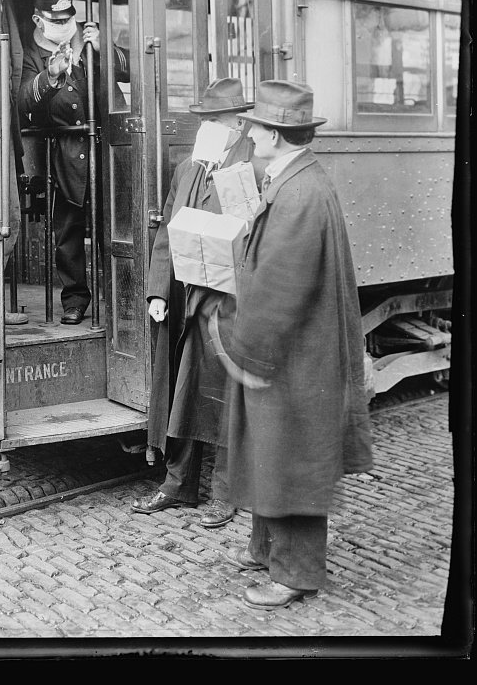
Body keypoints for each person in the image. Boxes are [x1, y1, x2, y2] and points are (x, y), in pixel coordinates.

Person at [216, 79, 373, 609]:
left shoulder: (299, 190)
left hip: (293, 354)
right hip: (295, 349)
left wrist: (249, 352)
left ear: (277, 135)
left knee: (295, 457)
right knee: (275, 450)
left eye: (255, 125)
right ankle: (267, 550)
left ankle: (294, 573)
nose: (248, 131)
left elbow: (283, 283)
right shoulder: (297, 178)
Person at [130, 78, 266, 528]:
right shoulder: (189, 167)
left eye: (215, 120)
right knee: (183, 392)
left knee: (227, 393)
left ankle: (227, 491)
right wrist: (155, 290)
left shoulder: (254, 168)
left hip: (229, 303)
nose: (205, 126)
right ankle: (178, 483)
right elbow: (168, 231)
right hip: (184, 299)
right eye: (203, 119)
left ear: (239, 124)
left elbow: (259, 239)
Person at [18, 0, 130, 325]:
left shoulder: (90, 36)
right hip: (65, 153)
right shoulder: (33, 53)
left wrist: (104, 49)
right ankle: (76, 299)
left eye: (68, 19)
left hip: (107, 148)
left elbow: (128, 71)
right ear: (39, 21)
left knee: (115, 227)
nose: (65, 26)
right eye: (56, 21)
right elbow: (23, 101)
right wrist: (50, 76)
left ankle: (121, 296)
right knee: (68, 233)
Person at [0, 0, 29, 325]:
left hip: (4, 117)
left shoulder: (2, 1)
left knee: (11, 216)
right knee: (4, 215)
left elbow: (15, 60)